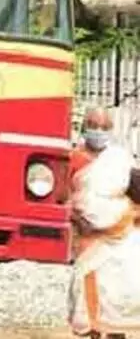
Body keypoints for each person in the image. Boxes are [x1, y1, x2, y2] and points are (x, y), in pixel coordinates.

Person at [68, 107, 140, 339]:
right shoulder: (73, 159)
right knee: (91, 294)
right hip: (89, 240)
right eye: (93, 125)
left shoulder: (119, 159)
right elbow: (63, 198)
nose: (99, 131)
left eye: (104, 127)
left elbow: (135, 191)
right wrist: (78, 219)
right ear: (83, 127)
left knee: (117, 296)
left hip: (121, 241)